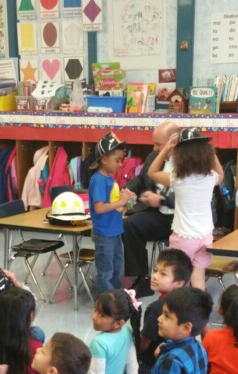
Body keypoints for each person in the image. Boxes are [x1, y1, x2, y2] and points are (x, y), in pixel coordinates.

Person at [147, 127, 224, 289]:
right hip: (205, 236)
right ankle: (197, 312)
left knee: (177, 281)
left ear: (180, 156)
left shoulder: (178, 179)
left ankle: (178, 312)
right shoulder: (210, 177)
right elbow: (221, 174)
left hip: (183, 238)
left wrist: (166, 148)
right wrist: (212, 153)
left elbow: (152, 172)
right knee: (198, 281)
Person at [122, 121, 180, 296]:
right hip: (159, 215)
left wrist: (161, 200)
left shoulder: (190, 162)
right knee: (129, 225)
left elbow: (191, 198)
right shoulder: (153, 156)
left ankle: (179, 281)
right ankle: (141, 277)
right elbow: (140, 179)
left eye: (158, 144)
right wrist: (125, 191)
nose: (154, 148)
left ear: (173, 142)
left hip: (180, 218)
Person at [79, 289, 142, 374]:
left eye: (102, 315)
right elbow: (132, 364)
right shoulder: (127, 331)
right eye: (95, 309)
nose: (94, 316)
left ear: (118, 323)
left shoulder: (99, 343)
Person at [89, 131, 136, 295]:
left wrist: (126, 204)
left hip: (115, 231)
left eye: (121, 160)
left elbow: (114, 205)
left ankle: (116, 299)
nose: (121, 164)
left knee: (117, 268)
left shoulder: (110, 179)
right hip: (104, 234)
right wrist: (120, 202)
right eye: (117, 160)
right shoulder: (98, 180)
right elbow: (99, 208)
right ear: (104, 159)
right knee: (106, 272)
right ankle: (105, 304)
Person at [138, 248, 193, 374]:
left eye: (163, 274)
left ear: (179, 283)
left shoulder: (157, 308)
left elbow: (144, 344)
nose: (155, 276)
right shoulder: (186, 301)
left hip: (153, 364)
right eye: (155, 270)